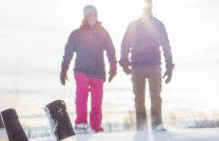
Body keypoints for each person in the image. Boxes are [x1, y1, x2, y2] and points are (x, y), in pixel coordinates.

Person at [60, 5, 117, 133]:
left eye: (95, 15)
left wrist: (113, 66)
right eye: (90, 15)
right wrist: (64, 69)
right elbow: (68, 52)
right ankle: (81, 123)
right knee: (82, 94)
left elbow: (110, 50)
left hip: (98, 71)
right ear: (85, 17)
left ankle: (95, 126)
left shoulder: (103, 33)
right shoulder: (77, 34)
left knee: (97, 101)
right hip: (81, 70)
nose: (93, 17)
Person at [119, 0, 174, 131]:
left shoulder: (158, 24)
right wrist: (124, 62)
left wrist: (169, 66)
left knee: (155, 95)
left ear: (151, 6)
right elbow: (125, 43)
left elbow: (166, 45)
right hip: (137, 66)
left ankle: (157, 123)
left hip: (154, 65)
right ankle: (141, 125)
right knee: (139, 97)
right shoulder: (133, 24)